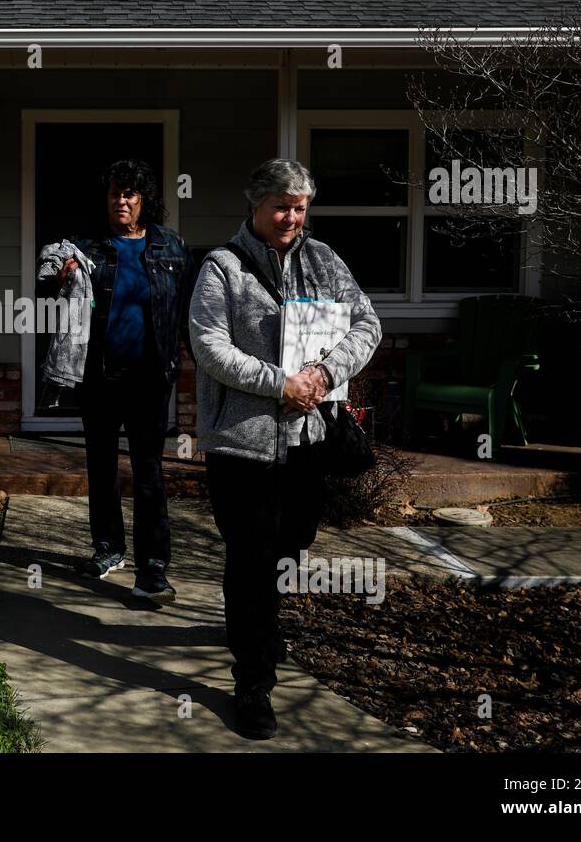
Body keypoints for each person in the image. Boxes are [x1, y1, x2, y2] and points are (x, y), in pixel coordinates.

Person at [188, 158, 381, 739]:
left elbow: (367, 325)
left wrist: (322, 375)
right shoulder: (221, 268)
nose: (291, 218)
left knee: (289, 552)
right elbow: (209, 347)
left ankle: (258, 631)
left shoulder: (325, 262)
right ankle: (253, 685)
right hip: (241, 448)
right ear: (255, 205)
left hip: (307, 444)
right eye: (281, 207)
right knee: (250, 564)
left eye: (299, 208)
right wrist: (281, 383)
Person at [37, 159, 196, 602]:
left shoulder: (171, 247)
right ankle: (108, 548)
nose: (121, 201)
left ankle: (154, 567)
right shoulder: (87, 247)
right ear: (106, 199)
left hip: (150, 378)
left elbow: (185, 310)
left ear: (143, 199)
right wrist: (61, 275)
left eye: (130, 194)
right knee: (102, 468)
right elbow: (46, 288)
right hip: (99, 377)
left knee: (148, 473)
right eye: (114, 194)